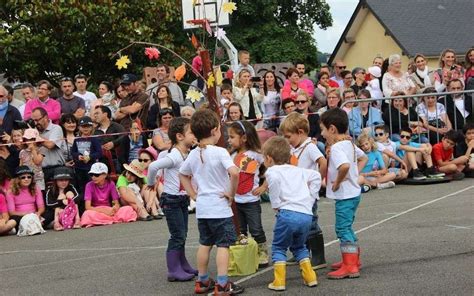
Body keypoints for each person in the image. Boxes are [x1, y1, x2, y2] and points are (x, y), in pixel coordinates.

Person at [179, 109, 244, 295]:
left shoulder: (193, 153)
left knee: (205, 243)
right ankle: (223, 283)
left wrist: (193, 194)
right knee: (223, 245)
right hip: (219, 208)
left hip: (203, 208)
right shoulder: (220, 152)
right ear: (215, 130)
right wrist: (231, 193)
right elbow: (235, 172)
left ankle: (202, 279)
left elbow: (183, 174)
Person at [263, 136, 320, 291]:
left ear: (269, 159)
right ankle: (310, 277)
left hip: (287, 213)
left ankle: (279, 281)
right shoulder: (299, 170)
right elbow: (316, 176)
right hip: (306, 214)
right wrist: (311, 197)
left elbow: (273, 182)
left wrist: (275, 204)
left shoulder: (272, 171)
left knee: (279, 247)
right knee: (300, 246)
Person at [147, 117, 197, 281]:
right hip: (172, 200)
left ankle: (182, 264)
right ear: (179, 136)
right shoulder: (175, 155)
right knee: (177, 235)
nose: (194, 135)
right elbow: (154, 166)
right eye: (191, 132)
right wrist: (151, 181)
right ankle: (173, 269)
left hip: (181, 199)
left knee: (182, 234)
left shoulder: (186, 153)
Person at [320, 108, 368, 279]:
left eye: (323, 129)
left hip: (345, 195)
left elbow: (345, 166)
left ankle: (350, 265)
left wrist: (338, 181)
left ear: (332, 129)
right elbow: (364, 158)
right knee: (347, 227)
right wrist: (354, 175)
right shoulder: (349, 143)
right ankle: (353, 259)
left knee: (342, 228)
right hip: (353, 193)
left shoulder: (337, 148)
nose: (322, 133)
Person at [279, 112, 327, 269]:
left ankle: (319, 257)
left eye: (288, 136)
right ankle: (300, 252)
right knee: (297, 224)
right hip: (295, 194)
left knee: (311, 223)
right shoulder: (294, 148)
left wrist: (318, 182)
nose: (286, 141)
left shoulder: (309, 147)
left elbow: (323, 162)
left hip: (307, 194)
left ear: (300, 132)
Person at [227, 120, 269, 267]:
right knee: (240, 231)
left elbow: (272, 168)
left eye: (232, 137)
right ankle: (245, 255)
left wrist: (264, 186)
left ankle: (262, 252)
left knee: (256, 229)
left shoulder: (256, 155)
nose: (229, 140)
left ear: (244, 138)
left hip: (251, 201)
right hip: (235, 201)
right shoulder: (230, 156)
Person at [80, 162, 137, 227]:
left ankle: (101, 221)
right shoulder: (89, 185)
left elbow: (116, 203)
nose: (93, 177)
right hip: (96, 210)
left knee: (128, 209)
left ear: (105, 175)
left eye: (96, 175)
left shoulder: (111, 184)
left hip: (109, 210)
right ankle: (111, 220)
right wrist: (103, 211)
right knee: (87, 214)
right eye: (91, 174)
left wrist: (114, 208)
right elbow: (88, 207)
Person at [31, 107, 66, 183]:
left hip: (57, 169)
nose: (36, 123)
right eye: (34, 121)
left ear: (46, 117)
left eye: (38, 120)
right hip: (40, 171)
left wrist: (35, 136)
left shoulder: (56, 128)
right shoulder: (35, 131)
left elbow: (50, 145)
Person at [6, 166, 45, 232]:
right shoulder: (10, 192)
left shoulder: (36, 188)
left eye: (29, 177)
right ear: (17, 179)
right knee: (14, 220)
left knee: (48, 214)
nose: (26, 179)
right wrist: (27, 214)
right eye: (23, 177)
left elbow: (41, 207)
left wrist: (38, 213)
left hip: (34, 214)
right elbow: (12, 212)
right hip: (19, 216)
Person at [71, 116, 102, 193]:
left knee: (92, 186)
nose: (85, 128)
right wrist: (78, 156)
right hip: (79, 167)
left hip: (91, 168)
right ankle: (82, 203)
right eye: (83, 126)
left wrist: (90, 157)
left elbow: (99, 152)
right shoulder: (77, 139)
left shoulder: (94, 139)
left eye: (88, 126)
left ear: (92, 127)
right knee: (81, 186)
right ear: (79, 127)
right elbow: (73, 152)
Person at [93, 105, 125, 174]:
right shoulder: (95, 131)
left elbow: (125, 136)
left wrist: (113, 143)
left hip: (117, 160)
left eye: (97, 113)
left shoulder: (116, 126)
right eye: (94, 114)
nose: (95, 116)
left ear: (105, 114)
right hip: (102, 162)